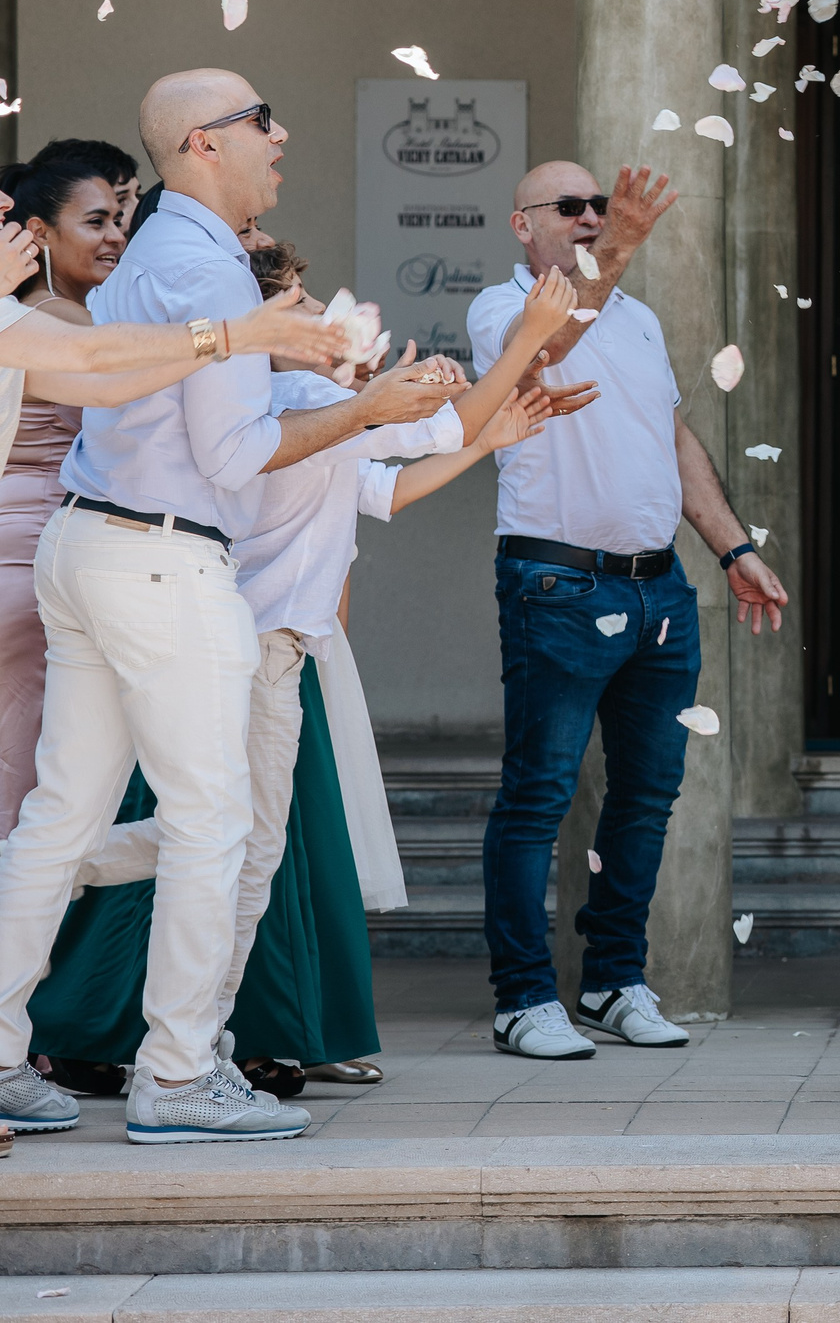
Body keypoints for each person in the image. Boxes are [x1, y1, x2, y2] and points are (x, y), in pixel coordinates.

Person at [0, 70, 434, 1145]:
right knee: (215, 820)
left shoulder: (154, 251)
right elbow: (235, 457)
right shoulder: (209, 267)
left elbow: (111, 376)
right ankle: (180, 1071)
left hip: (87, 542)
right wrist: (366, 409)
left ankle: (1, 1052)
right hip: (161, 558)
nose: (279, 138)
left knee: (61, 817)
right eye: (262, 120)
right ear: (204, 143)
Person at [31, 248, 577, 1096]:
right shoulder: (296, 397)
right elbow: (447, 424)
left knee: (233, 843)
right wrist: (530, 337)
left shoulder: (306, 406)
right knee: (242, 852)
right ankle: (188, 1043)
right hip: (255, 644)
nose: (326, 315)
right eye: (303, 304)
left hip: (267, 645)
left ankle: (69, 877)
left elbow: (385, 490)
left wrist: (484, 431)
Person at [467, 161, 789, 1061]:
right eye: (567, 208)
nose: (589, 218)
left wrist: (734, 547)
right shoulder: (503, 307)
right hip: (557, 583)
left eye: (597, 207)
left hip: (659, 586)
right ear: (522, 227)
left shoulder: (638, 318)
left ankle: (613, 980)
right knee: (540, 794)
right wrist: (618, 247)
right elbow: (549, 350)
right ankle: (523, 998)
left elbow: (672, 438)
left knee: (647, 796)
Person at [0, 142, 142, 835]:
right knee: (29, 767)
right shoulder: (64, 320)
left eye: (121, 217)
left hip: (24, 551)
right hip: (33, 561)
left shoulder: (40, 314)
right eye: (97, 221)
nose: (116, 233)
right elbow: (130, 399)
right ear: (39, 234)